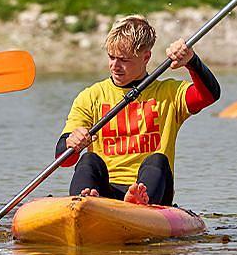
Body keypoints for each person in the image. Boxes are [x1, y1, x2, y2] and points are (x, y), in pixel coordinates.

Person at [55, 15, 220, 206]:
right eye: (111, 57)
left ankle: (139, 202)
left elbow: (209, 95)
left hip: (150, 190)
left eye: (124, 60)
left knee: (157, 160)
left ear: (146, 57)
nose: (115, 66)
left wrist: (192, 61)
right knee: (88, 160)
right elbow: (63, 160)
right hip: (104, 190)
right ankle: (83, 202)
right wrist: (71, 143)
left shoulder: (169, 93)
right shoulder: (90, 97)